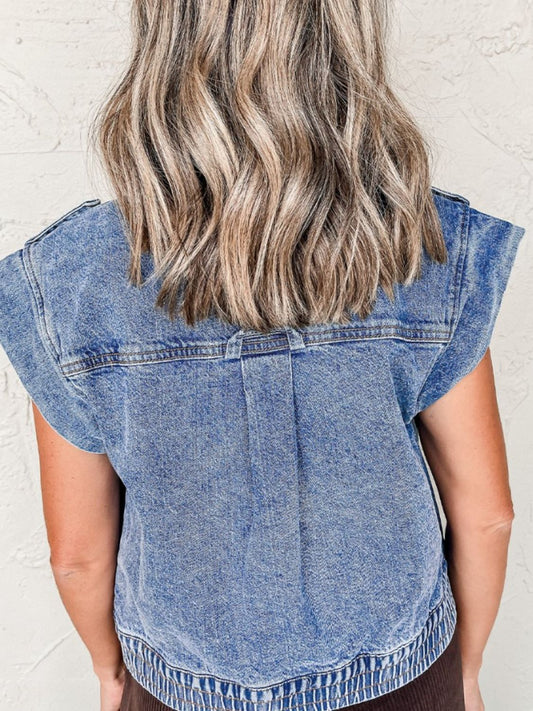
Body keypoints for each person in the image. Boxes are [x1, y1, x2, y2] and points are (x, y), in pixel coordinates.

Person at [0, 2, 527, 710]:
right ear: (341, 42)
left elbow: (77, 555)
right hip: (401, 675)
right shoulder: (420, 245)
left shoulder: (70, 278)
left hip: (179, 687)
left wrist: (109, 671)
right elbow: (487, 513)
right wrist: (465, 668)